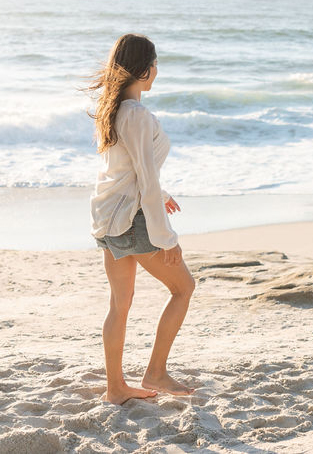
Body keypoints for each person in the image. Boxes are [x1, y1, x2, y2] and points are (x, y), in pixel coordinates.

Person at [85, 33, 196, 405]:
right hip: (132, 221)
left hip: (108, 218)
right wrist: (167, 238)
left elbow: (123, 171)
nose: (157, 70)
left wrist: (160, 197)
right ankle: (156, 372)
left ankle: (116, 388)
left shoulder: (112, 110)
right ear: (147, 70)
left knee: (120, 303)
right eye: (156, 64)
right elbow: (145, 179)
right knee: (183, 288)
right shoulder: (137, 115)